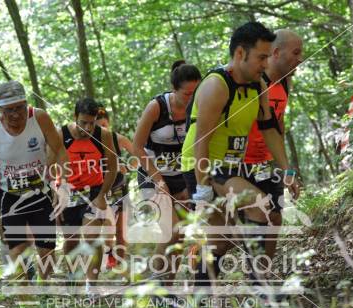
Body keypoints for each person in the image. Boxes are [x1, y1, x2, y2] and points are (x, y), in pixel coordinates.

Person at [180, 22, 300, 286]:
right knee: (261, 207)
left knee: (220, 241)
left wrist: (287, 170)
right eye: (261, 57)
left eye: (268, 57)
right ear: (239, 54)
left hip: (231, 165)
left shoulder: (258, 85)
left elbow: (269, 128)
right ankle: (259, 287)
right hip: (204, 165)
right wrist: (201, 189)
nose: (265, 63)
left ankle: (200, 299)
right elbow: (202, 140)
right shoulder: (217, 85)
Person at [0, 80, 66, 280]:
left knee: (46, 251)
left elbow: (60, 150)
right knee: (17, 250)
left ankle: (43, 291)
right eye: (9, 110)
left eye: (20, 107)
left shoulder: (40, 118)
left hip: (40, 192)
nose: (16, 114)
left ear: (26, 103)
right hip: (9, 195)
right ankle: (25, 301)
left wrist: (64, 185)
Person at [132, 60, 201, 284]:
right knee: (170, 231)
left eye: (195, 92)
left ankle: (167, 286)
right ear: (174, 89)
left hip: (182, 177)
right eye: (186, 93)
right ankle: (156, 283)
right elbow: (136, 146)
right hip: (152, 175)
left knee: (180, 233)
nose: (191, 98)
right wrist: (158, 179)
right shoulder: (157, 107)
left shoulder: (201, 106)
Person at [243, 29, 303, 260]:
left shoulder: (286, 82)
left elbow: (278, 122)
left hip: (265, 160)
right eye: (296, 52)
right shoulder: (253, 82)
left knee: (275, 218)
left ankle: (262, 278)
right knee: (238, 228)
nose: (301, 58)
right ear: (276, 53)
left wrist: (285, 167)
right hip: (238, 162)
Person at [55, 97, 117, 284]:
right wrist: (55, 195)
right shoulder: (61, 134)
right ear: (75, 117)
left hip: (93, 191)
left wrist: (101, 195)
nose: (87, 128)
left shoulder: (103, 135)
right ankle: (73, 275)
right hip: (68, 192)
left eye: (91, 123)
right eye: (83, 123)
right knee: (71, 239)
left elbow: (112, 168)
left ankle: (92, 285)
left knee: (92, 237)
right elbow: (49, 168)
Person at [95, 105, 135, 269]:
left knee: (121, 230)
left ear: (109, 124)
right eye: (98, 126)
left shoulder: (119, 139)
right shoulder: (88, 142)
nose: (101, 129)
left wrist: (128, 166)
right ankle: (110, 255)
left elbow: (137, 153)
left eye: (104, 125)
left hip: (121, 187)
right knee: (108, 229)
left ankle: (121, 262)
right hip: (102, 190)